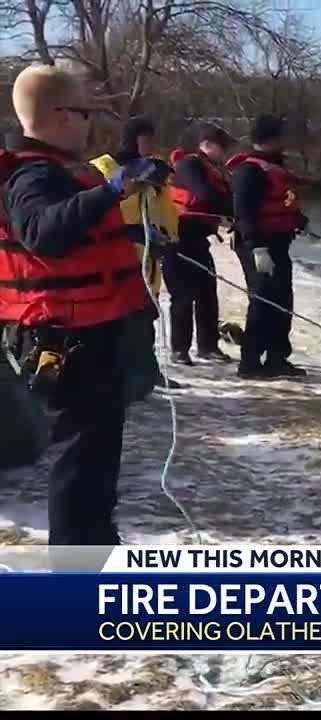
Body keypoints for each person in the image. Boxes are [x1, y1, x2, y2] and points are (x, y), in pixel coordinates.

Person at [0, 62, 159, 544]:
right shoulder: (31, 174)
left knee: (95, 459)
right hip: (66, 340)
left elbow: (79, 232)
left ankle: (95, 548)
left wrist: (132, 222)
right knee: (80, 463)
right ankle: (77, 568)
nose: (91, 123)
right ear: (62, 115)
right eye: (87, 113)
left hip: (88, 333)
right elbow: (42, 232)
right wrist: (111, 192)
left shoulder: (56, 170)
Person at [89, 116, 182, 398]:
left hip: (148, 259)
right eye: (147, 138)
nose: (152, 144)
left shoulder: (153, 174)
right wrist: (128, 231)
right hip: (117, 259)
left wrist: (170, 239)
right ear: (133, 139)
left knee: (146, 315)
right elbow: (93, 209)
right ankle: (123, 377)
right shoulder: (103, 168)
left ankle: (147, 372)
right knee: (122, 321)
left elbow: (166, 211)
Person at [228, 114, 308, 380]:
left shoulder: (274, 167)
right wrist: (257, 248)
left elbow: (283, 203)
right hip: (257, 246)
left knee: (283, 301)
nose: (285, 141)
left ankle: (276, 358)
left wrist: (299, 221)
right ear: (272, 138)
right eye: (281, 136)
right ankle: (250, 363)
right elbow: (244, 213)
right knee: (262, 302)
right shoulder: (250, 171)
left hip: (279, 244)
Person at [166, 123, 235, 364]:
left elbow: (221, 197)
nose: (225, 153)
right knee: (182, 295)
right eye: (222, 147)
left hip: (198, 238)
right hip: (178, 236)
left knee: (207, 292)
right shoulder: (190, 164)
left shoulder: (215, 170)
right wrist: (230, 208)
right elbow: (205, 193)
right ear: (206, 145)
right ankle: (179, 350)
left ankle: (208, 346)